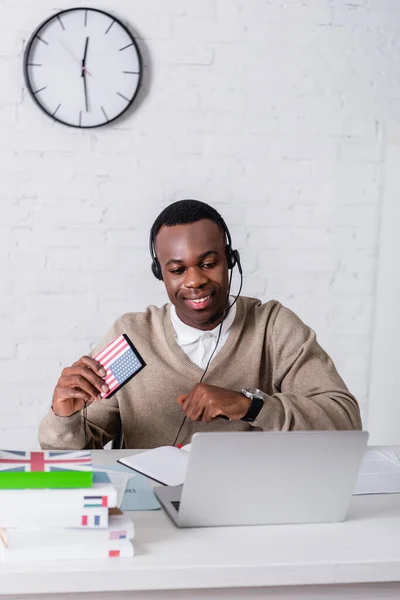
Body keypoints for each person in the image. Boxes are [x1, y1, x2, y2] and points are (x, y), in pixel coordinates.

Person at [39, 199, 362, 450]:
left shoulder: (273, 328)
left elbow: (345, 422)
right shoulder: (133, 337)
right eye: (177, 270)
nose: (194, 281)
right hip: (151, 512)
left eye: (208, 264)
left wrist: (251, 406)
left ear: (230, 260)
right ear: (159, 273)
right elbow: (72, 453)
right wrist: (65, 415)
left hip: (254, 505)